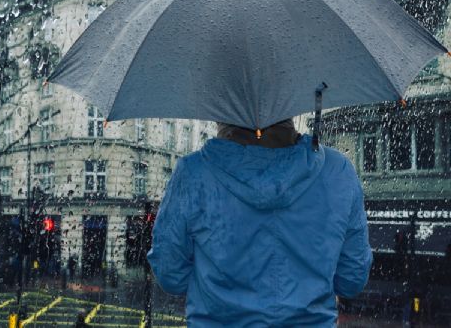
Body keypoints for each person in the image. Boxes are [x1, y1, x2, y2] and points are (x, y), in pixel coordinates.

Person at [148, 119, 372, 327]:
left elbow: (170, 276)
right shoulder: (338, 170)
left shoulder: (193, 172)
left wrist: (215, 288)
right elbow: (351, 279)